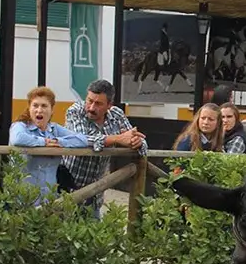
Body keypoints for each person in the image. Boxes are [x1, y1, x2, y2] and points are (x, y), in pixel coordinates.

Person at [62, 79, 147, 213]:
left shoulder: (116, 115)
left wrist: (137, 142)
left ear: (109, 105)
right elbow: (81, 140)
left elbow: (137, 139)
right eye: (89, 101)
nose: (91, 107)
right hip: (69, 191)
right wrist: (118, 139)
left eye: (98, 104)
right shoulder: (75, 111)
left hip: (96, 195)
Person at [9, 87, 89, 201]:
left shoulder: (55, 129)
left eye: (44, 106)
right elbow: (18, 139)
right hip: (23, 198)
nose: (39, 110)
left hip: (49, 197)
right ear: (29, 108)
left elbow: (82, 140)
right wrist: (44, 142)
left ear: (52, 110)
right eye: (35, 105)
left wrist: (58, 142)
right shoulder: (20, 126)